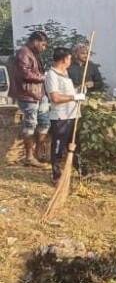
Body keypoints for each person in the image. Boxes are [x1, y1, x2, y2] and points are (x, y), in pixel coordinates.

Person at [46, 48, 87, 184]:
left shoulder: (65, 73)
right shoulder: (51, 75)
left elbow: (67, 92)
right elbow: (55, 97)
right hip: (60, 118)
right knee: (58, 147)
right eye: (69, 58)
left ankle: (81, 171)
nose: (71, 61)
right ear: (64, 59)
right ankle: (56, 175)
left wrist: (78, 91)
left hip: (73, 114)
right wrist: (74, 97)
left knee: (75, 145)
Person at [10, 31, 49, 167]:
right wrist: (44, 77)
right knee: (30, 125)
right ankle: (29, 157)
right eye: (43, 45)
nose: (44, 48)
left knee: (44, 123)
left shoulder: (34, 53)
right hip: (28, 95)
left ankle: (39, 154)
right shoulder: (23, 52)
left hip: (39, 94)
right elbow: (25, 73)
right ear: (35, 41)